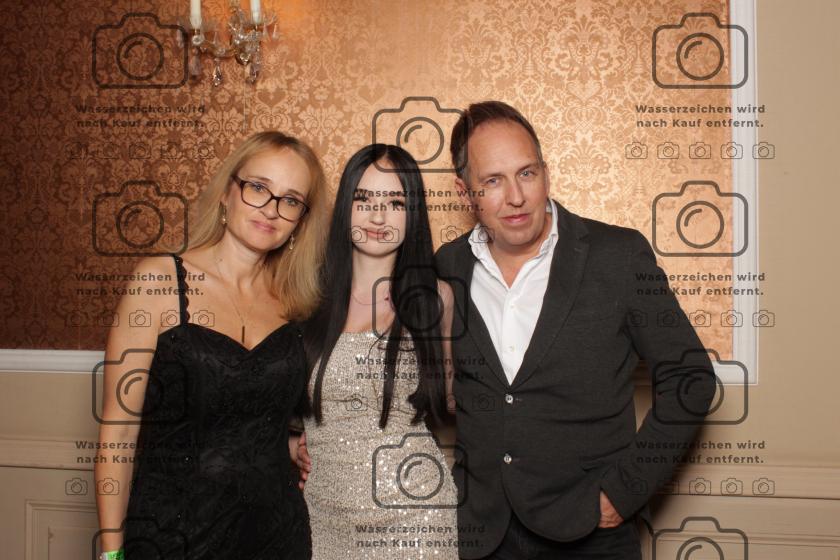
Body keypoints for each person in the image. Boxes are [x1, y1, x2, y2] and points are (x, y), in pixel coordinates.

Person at [434, 101, 716, 559]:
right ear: (465, 192)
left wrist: (624, 491)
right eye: (493, 181)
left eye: (527, 173)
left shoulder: (618, 256)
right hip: (482, 536)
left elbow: (691, 378)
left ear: (546, 173)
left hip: (590, 535)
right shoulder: (447, 266)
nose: (516, 196)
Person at [95, 131, 329, 560]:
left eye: (291, 200)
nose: (271, 209)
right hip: (172, 535)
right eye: (258, 187)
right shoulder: (158, 282)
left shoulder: (299, 303)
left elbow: (265, 417)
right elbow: (119, 434)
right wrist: (111, 552)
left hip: (277, 536)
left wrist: (299, 444)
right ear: (227, 192)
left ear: (301, 219)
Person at [298, 144, 459, 559]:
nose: (378, 217)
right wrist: (292, 446)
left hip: (416, 519)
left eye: (395, 202)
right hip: (322, 516)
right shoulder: (307, 295)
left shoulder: (435, 298)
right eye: (364, 199)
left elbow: (453, 403)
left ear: (413, 213)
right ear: (345, 207)